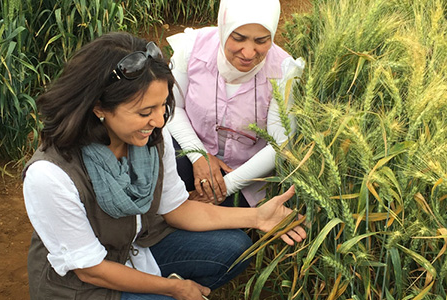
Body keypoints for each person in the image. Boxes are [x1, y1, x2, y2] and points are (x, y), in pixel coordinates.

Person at [22, 32, 306, 300]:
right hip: (84, 286)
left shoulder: (152, 138)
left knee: (234, 248)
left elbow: (176, 208)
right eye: (145, 112)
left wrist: (257, 217)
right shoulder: (50, 175)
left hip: (138, 247)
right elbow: (90, 268)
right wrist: (174, 288)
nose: (159, 121)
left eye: (162, 107)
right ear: (99, 108)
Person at [166, 0, 305, 207]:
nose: (248, 53)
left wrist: (225, 187)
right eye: (238, 38)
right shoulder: (192, 48)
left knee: (221, 233)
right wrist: (199, 155)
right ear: (223, 27)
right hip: (189, 150)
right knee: (160, 184)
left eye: (262, 40)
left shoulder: (283, 70)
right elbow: (172, 107)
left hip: (246, 176)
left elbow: (279, 143)